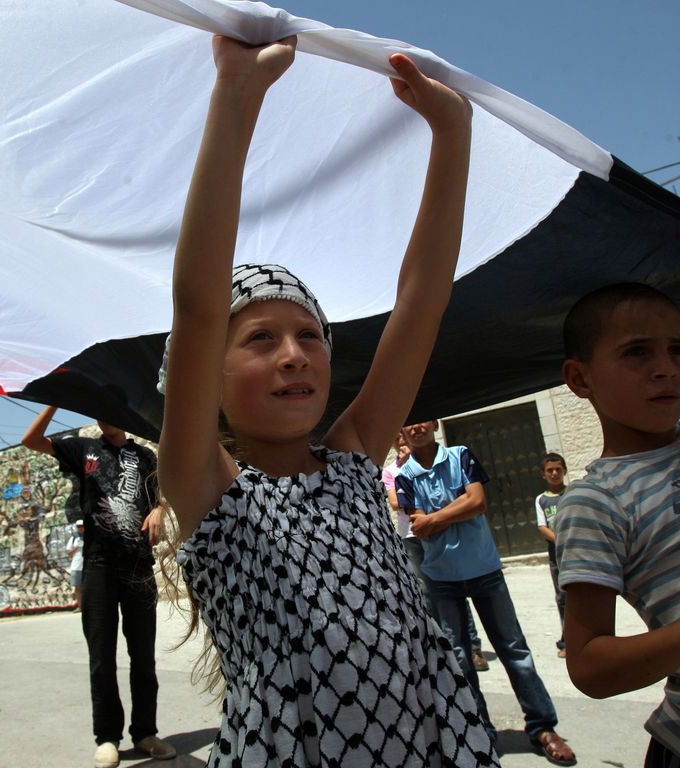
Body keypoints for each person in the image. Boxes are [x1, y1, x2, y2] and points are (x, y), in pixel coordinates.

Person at [157, 33, 498, 766]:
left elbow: (421, 301)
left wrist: (452, 134)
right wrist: (238, 97)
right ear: (205, 377)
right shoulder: (207, 488)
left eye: (310, 336)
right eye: (258, 339)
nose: (293, 355)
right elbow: (195, 302)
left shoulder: (350, 459)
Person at [395, 420, 576, 766]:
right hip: (441, 577)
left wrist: (437, 518)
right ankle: (478, 729)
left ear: (434, 424)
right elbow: (418, 525)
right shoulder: (404, 475)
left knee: (514, 649)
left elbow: (478, 502)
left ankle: (542, 727)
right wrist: (454, 508)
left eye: (423, 420)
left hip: (484, 569)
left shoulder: (461, 456)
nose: (416, 428)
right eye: (409, 423)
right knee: (459, 658)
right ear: (402, 432)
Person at [555, 282, 680, 766]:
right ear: (581, 379)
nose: (666, 367)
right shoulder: (597, 501)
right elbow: (590, 667)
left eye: (676, 349)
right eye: (637, 352)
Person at [22, 408, 175, 768]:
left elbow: (161, 495)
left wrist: (160, 510)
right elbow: (31, 441)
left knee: (143, 656)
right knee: (101, 659)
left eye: (114, 409)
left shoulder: (144, 456)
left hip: (138, 566)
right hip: (98, 565)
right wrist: (54, 402)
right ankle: (107, 737)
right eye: (101, 410)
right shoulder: (83, 449)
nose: (109, 417)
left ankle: (145, 733)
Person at [383, 431, 490, 671]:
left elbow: (471, 499)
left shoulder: (441, 460)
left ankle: (473, 647)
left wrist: (433, 512)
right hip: (412, 537)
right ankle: (444, 644)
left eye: (403, 437)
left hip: (438, 531)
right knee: (431, 594)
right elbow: (397, 503)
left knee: (458, 587)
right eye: (397, 438)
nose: (401, 441)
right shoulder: (392, 472)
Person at [534, 453, 568, 658]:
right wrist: (561, 540)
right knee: (563, 597)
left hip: (577, 553)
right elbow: (542, 526)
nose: (554, 473)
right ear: (543, 475)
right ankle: (568, 640)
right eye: (550, 470)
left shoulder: (573, 492)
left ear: (564, 470)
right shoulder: (541, 500)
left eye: (558, 469)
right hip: (557, 556)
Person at [67, 519, 85, 611]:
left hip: (87, 566)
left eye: (82, 526)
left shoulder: (90, 536)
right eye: (78, 526)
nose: (80, 528)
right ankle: (80, 607)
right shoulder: (74, 538)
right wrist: (77, 547)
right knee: (77, 588)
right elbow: (69, 553)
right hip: (76, 566)